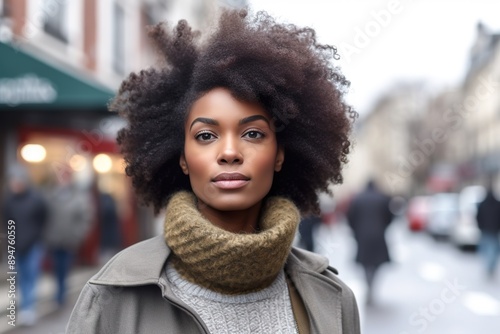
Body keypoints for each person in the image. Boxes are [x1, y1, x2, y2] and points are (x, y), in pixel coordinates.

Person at [67, 8, 360, 334]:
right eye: (206, 136)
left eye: (253, 134)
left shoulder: (331, 299)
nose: (230, 152)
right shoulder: (113, 295)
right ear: (182, 158)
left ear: (279, 154)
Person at [2, 166, 48, 326]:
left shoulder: (36, 199)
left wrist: (37, 238)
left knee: (31, 276)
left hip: (33, 245)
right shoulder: (9, 201)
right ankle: (25, 307)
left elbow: (43, 220)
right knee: (19, 277)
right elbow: (7, 222)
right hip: (16, 246)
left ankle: (29, 309)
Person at [43, 171, 93, 306]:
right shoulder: (51, 196)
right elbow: (44, 215)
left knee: (64, 268)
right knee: (55, 268)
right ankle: (59, 293)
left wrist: (78, 235)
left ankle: (61, 294)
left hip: (69, 240)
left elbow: (86, 218)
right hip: (53, 239)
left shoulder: (78, 197)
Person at [346, 179, 393, 305]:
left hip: (362, 235)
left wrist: (355, 230)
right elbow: (389, 217)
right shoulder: (383, 198)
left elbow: (350, 217)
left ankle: (368, 284)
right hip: (378, 235)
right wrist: (382, 227)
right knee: (376, 263)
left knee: (365, 263)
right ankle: (371, 285)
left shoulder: (358, 199)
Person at [476, 186, 500, 279]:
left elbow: (478, 216)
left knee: (486, 250)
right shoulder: (497, 204)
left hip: (485, 230)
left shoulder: (482, 204)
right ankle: (490, 267)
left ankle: (489, 267)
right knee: (493, 251)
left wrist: (480, 226)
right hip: (494, 231)